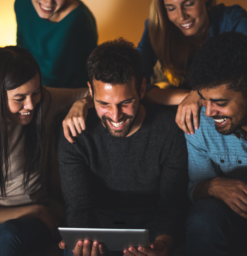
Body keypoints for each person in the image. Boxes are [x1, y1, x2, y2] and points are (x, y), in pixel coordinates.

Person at [57, 38, 188, 256]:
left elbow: (172, 203)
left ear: (143, 88)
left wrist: (165, 241)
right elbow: (78, 205)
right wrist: (84, 240)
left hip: (154, 222)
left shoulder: (169, 130)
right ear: (90, 91)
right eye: (104, 104)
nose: (116, 116)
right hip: (100, 222)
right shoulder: (75, 133)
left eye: (125, 102)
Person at [0, 45, 88, 256]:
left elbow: (94, 93)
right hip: (24, 214)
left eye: (35, 93)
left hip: (30, 226)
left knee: (9, 234)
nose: (31, 105)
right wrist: (33, 210)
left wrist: (81, 104)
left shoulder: (44, 101)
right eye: (19, 99)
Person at [137, 0, 247, 135]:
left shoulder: (233, 19)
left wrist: (200, 94)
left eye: (189, 4)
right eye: (171, 8)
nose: (182, 16)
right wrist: (191, 96)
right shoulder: (156, 27)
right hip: (189, 121)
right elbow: (134, 84)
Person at [184, 32, 247, 256]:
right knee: (203, 216)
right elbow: (193, 188)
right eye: (203, 98)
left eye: (220, 103)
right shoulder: (200, 123)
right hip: (229, 217)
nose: (209, 112)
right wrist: (213, 186)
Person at [15, 0, 97, 88]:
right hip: (26, 82)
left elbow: (87, 76)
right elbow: (21, 48)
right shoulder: (21, 3)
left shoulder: (81, 20)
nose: (48, 3)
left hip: (61, 92)